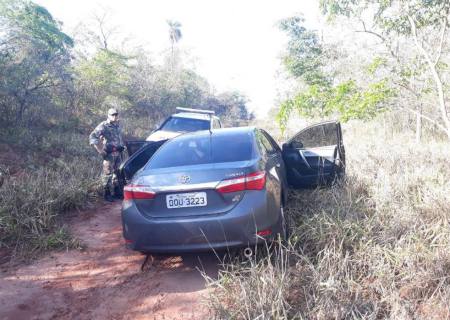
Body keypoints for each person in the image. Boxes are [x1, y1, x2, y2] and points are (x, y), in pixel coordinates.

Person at [89, 107, 125, 202]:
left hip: (118, 153)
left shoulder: (117, 125)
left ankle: (117, 193)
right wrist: (100, 150)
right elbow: (93, 136)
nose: (114, 116)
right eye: (112, 114)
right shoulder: (104, 125)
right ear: (108, 115)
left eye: (116, 114)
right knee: (107, 174)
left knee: (117, 173)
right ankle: (107, 195)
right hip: (109, 154)